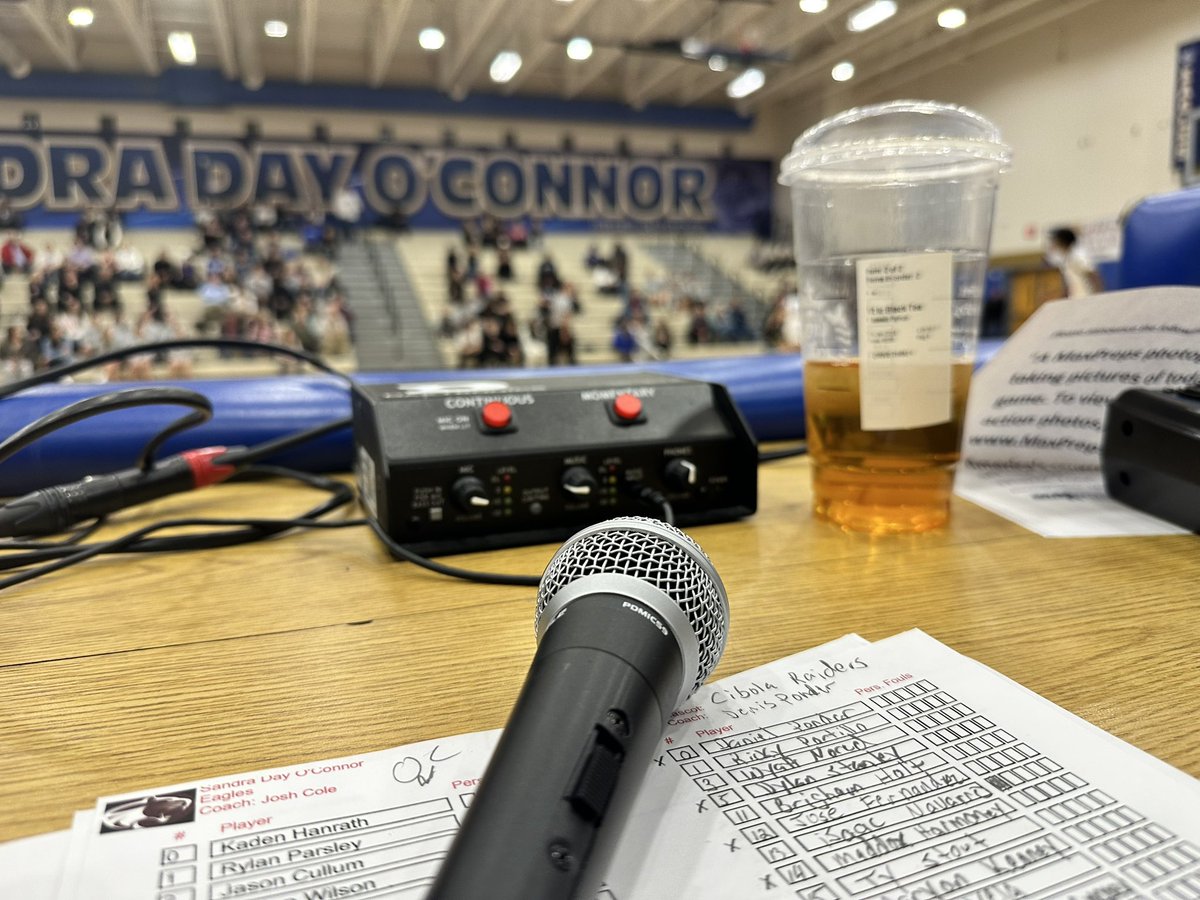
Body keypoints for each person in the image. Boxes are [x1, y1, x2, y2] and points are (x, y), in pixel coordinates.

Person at [1047, 227, 1103, 297]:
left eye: (1055, 241)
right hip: (1074, 299)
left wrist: (1098, 295)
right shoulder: (1065, 259)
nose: (1053, 243)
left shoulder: (1077, 257)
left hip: (1085, 298)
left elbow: (1093, 275)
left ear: (1062, 242)